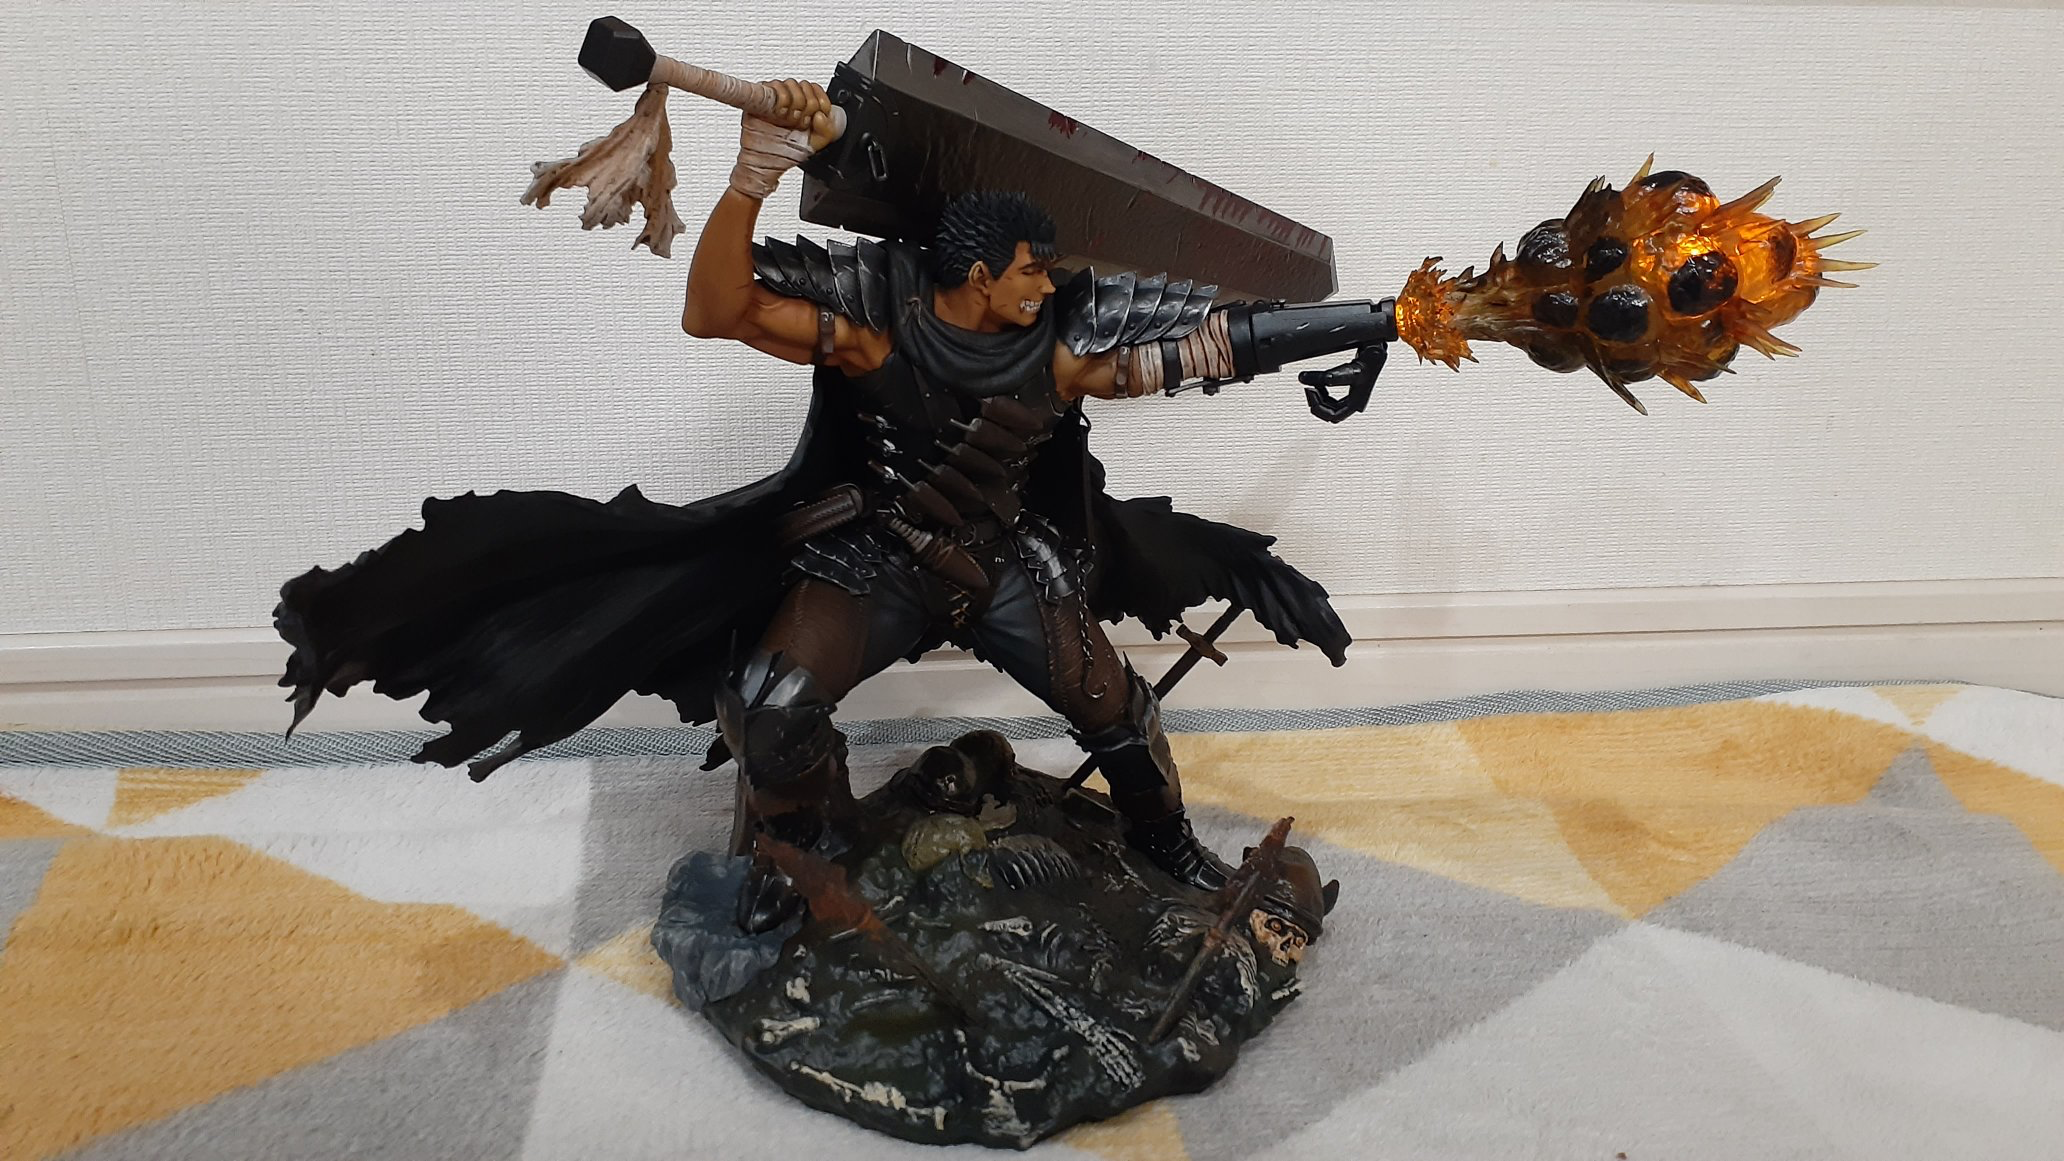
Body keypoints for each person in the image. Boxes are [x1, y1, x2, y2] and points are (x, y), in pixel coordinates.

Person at [276, 79, 1376, 934]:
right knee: (771, 709)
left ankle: (1169, 846)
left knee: (1116, 707)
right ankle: (802, 863)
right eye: (1032, 272)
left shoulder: (1068, 344)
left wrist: (1376, 323)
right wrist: (751, 174)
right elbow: (716, 308)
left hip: (1001, 562)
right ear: (978, 276)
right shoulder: (871, 317)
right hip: (874, 560)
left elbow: (1224, 342)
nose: (1051, 286)